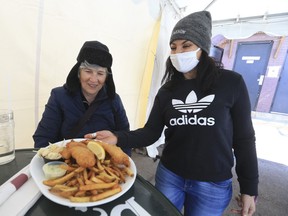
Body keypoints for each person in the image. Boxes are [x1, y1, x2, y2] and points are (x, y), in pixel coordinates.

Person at [87, 11, 259, 216]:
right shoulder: (168, 90)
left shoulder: (231, 83)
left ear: (202, 48)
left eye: (186, 46)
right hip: (171, 176)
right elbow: (150, 132)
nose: (178, 52)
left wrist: (249, 189)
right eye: (173, 47)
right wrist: (117, 137)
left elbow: (244, 139)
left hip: (212, 184)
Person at [33, 40, 131, 156]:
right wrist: (51, 163)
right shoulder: (59, 96)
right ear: (79, 73)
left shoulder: (114, 100)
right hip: (66, 164)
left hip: (103, 167)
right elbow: (43, 137)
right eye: (88, 71)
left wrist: (122, 163)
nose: (94, 80)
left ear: (106, 77)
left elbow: (125, 137)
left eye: (100, 73)